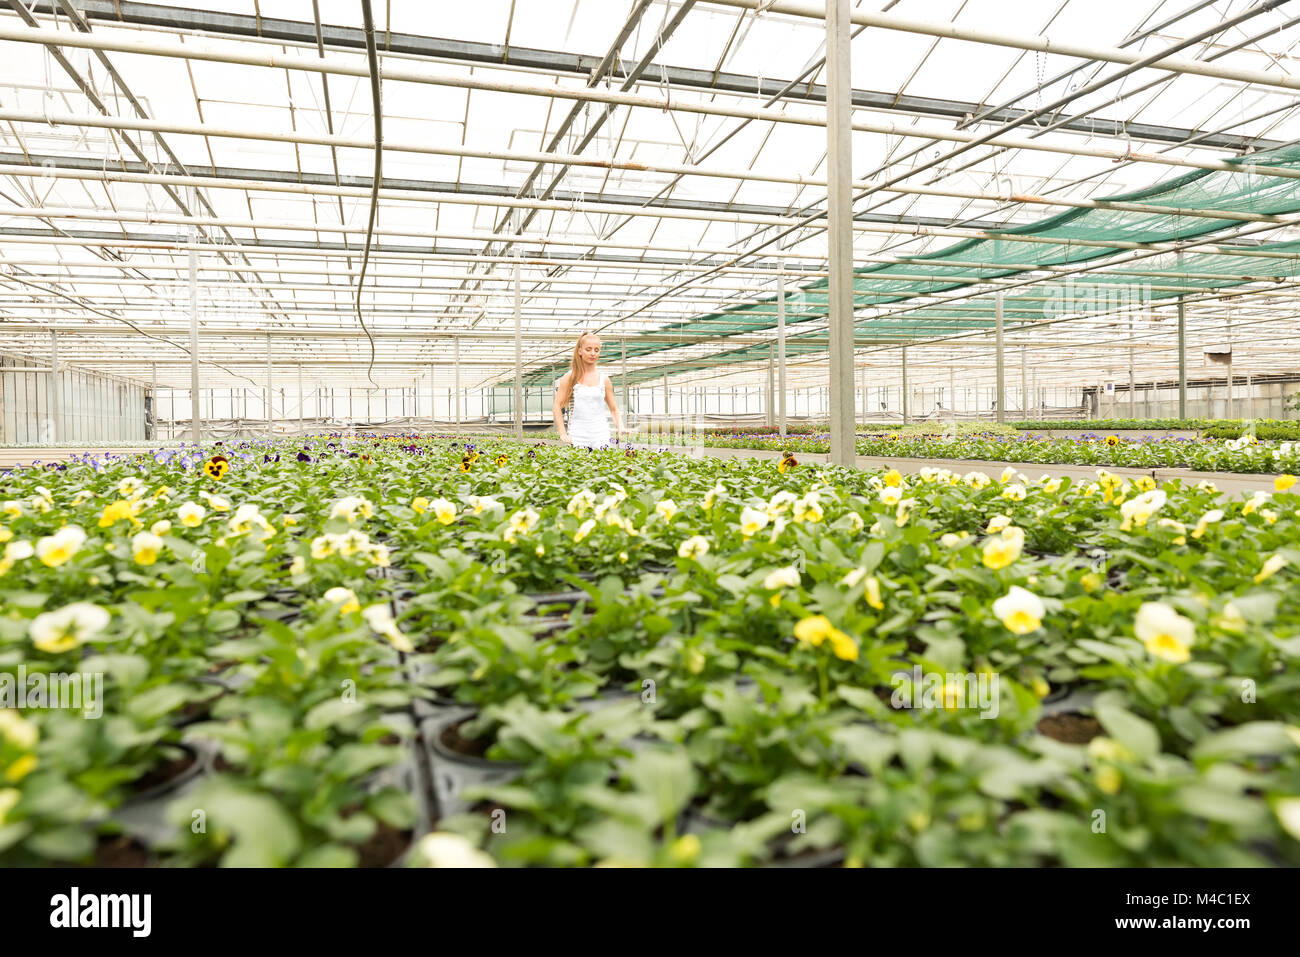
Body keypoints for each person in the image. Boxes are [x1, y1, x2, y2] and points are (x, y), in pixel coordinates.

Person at [552, 332, 623, 447]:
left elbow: (614, 408)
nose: (593, 353)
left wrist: (620, 427)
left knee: (603, 464)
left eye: (596, 350)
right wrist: (562, 433)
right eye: (588, 349)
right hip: (577, 436)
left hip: (601, 436)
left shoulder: (604, 379)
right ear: (580, 351)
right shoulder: (570, 377)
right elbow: (557, 406)